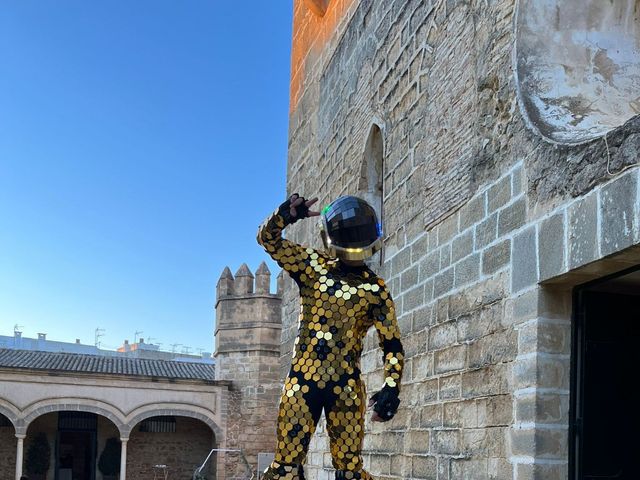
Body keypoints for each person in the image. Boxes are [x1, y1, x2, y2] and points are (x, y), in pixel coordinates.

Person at [257, 193, 404, 480]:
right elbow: (392, 346)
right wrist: (391, 387)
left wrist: (283, 216)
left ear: (329, 237)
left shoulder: (313, 266)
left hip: (305, 383)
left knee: (286, 468)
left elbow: (267, 239)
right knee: (346, 472)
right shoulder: (375, 289)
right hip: (342, 386)